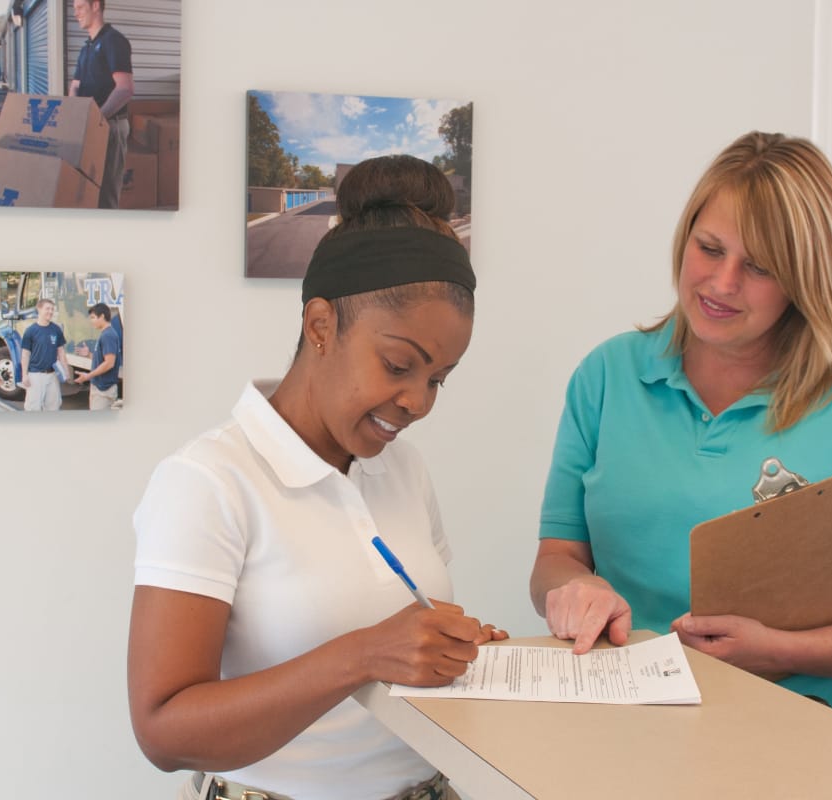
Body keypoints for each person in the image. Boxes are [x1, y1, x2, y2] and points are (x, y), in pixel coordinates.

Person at [529, 132, 832, 725]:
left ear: (804, 279)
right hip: (642, 723)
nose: (723, 282)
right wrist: (577, 592)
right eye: (709, 248)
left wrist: (783, 651)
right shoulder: (606, 376)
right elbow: (557, 558)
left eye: (758, 266)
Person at [129, 155, 506, 800]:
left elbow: (405, 641)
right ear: (321, 325)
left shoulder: (402, 469)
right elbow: (165, 732)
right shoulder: (209, 482)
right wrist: (363, 655)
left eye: (437, 379)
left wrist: (452, 646)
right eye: (398, 365)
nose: (420, 402)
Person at [68, 0, 133, 209]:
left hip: (110, 127)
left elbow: (125, 89)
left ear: (96, 5)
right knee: (86, 193)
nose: (75, 13)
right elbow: (75, 85)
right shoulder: (86, 47)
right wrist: (76, 114)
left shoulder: (114, 41)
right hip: (90, 127)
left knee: (106, 199)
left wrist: (96, 119)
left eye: (80, 7)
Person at [19, 298, 69, 412]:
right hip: (35, 375)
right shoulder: (31, 331)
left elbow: (61, 352)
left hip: (52, 374)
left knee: (53, 407)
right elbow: (25, 354)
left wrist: (65, 370)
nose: (50, 312)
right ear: (39, 309)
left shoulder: (56, 329)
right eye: (47, 309)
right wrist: (24, 375)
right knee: (33, 408)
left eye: (52, 309)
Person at [72, 302, 120, 410]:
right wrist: (89, 354)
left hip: (103, 390)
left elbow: (109, 363)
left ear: (102, 316)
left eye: (93, 317)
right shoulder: (105, 334)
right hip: (98, 388)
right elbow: (103, 360)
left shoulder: (108, 335)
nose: (91, 321)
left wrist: (88, 376)